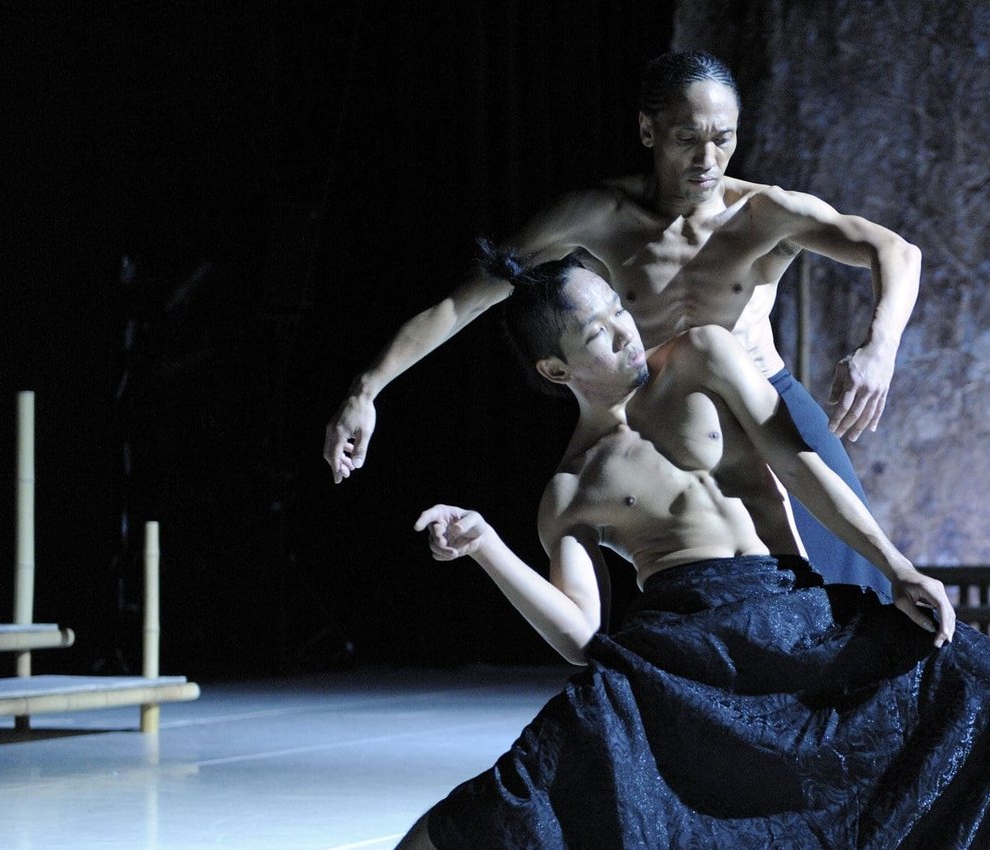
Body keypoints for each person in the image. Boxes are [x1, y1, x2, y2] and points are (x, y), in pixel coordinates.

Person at [291, 250, 990, 850]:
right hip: (685, 654)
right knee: (529, 779)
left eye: (621, 313)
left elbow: (801, 461)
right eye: (599, 337)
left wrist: (893, 563)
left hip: (794, 613)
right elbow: (580, 637)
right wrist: (486, 545)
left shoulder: (705, 358)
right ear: (556, 366)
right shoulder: (570, 485)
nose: (627, 337)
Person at [322, 49, 921, 596]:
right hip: (668, 423)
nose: (707, 160)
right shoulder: (600, 216)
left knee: (867, 597)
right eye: (687, 138)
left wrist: (880, 346)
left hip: (767, 407)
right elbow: (464, 302)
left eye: (723, 139)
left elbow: (896, 252)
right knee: (728, 606)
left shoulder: (763, 214)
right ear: (647, 131)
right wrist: (366, 389)